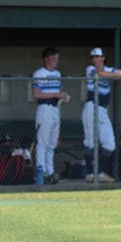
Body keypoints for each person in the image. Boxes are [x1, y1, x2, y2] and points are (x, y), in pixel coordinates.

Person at [82, 47, 121, 183]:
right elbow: (101, 74)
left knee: (110, 143)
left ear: (103, 57)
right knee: (90, 141)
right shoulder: (90, 69)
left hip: (102, 109)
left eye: (97, 56)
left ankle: (100, 173)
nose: (95, 59)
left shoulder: (110, 69)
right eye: (93, 57)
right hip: (91, 106)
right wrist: (117, 75)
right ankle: (90, 173)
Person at [32, 47, 69, 185]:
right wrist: (56, 95)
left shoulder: (58, 74)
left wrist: (62, 96)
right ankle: (41, 171)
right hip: (44, 108)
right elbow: (36, 94)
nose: (56, 61)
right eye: (53, 58)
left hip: (55, 109)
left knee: (52, 143)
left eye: (57, 58)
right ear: (46, 59)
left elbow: (58, 91)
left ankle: (50, 172)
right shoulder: (39, 73)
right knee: (43, 142)